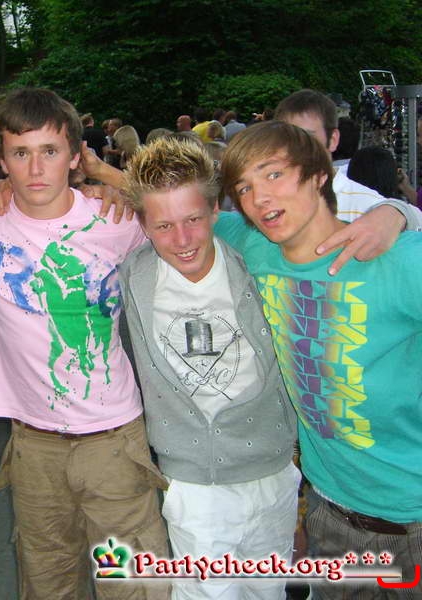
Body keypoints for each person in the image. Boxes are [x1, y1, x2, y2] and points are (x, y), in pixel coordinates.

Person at [0, 88, 169, 600]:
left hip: (113, 443)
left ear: (75, 156)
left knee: (131, 586)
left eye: (50, 151)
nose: (36, 168)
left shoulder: (115, 218)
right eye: (21, 153)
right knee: (47, 584)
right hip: (34, 445)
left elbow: (191, 210)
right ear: (0, 159)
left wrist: (112, 179)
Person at [218, 120, 422, 600]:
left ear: (318, 175)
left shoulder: (399, 261)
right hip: (330, 517)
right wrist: (99, 178)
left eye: (274, 174)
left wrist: (397, 213)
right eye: (243, 188)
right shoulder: (255, 246)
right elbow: (175, 211)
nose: (259, 197)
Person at [120, 135, 300, 600]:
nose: (182, 240)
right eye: (163, 226)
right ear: (142, 225)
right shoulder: (131, 276)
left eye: (193, 220)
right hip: (193, 484)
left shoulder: (255, 260)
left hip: (272, 470)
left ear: (216, 210)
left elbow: (332, 228)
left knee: (268, 593)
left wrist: (398, 211)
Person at [275, 89, 406, 223]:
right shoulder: (270, 202)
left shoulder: (369, 208)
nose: (296, 147)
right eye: (287, 138)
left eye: (308, 138)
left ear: (333, 140)